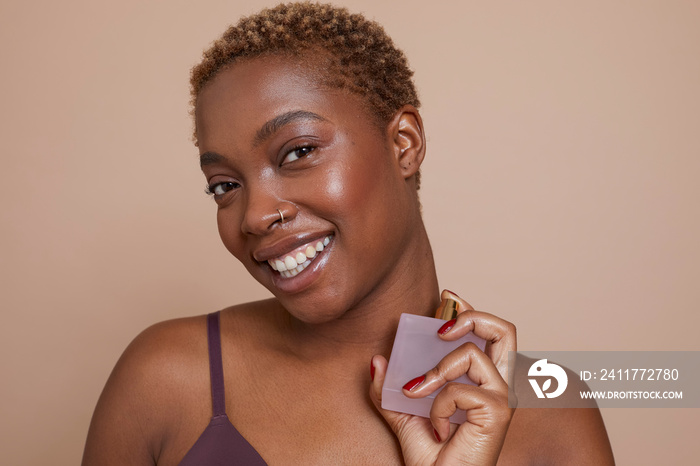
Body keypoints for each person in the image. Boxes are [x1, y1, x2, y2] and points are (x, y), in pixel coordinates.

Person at [83, 2, 614, 464]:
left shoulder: (553, 412)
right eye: (224, 185)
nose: (254, 215)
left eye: (298, 152)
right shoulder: (165, 379)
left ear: (404, 144)